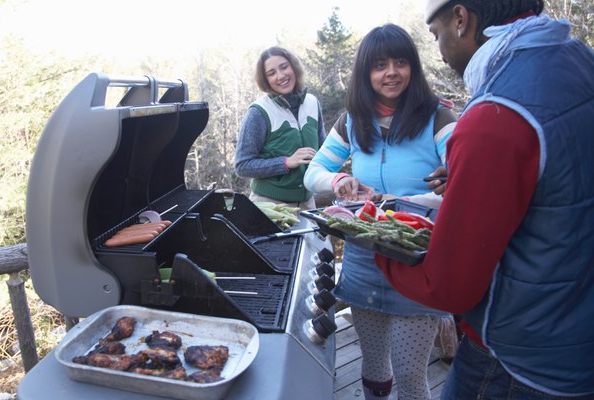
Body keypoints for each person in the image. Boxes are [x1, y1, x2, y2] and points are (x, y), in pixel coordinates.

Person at [375, 1, 594, 398]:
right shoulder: (578, 59)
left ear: (460, 19)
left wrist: (377, 244)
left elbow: (448, 287)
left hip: (517, 360)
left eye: (435, 33)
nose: (439, 49)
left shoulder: (494, 115)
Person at [304, 24, 457, 400]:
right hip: (363, 256)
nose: (391, 72)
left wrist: (415, 196)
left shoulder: (438, 117)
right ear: (366, 74)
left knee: (409, 372)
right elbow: (313, 174)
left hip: (416, 256)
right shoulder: (354, 120)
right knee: (372, 364)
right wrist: (338, 179)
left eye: (400, 62)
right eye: (380, 65)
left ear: (413, 68)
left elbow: (466, 178)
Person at [234, 46, 327, 211]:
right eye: (271, 73)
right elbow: (242, 165)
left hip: (308, 204)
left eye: (284, 67)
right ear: (265, 80)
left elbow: (324, 150)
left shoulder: (312, 103)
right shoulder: (258, 112)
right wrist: (286, 162)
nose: (281, 76)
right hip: (270, 205)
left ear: (294, 67)